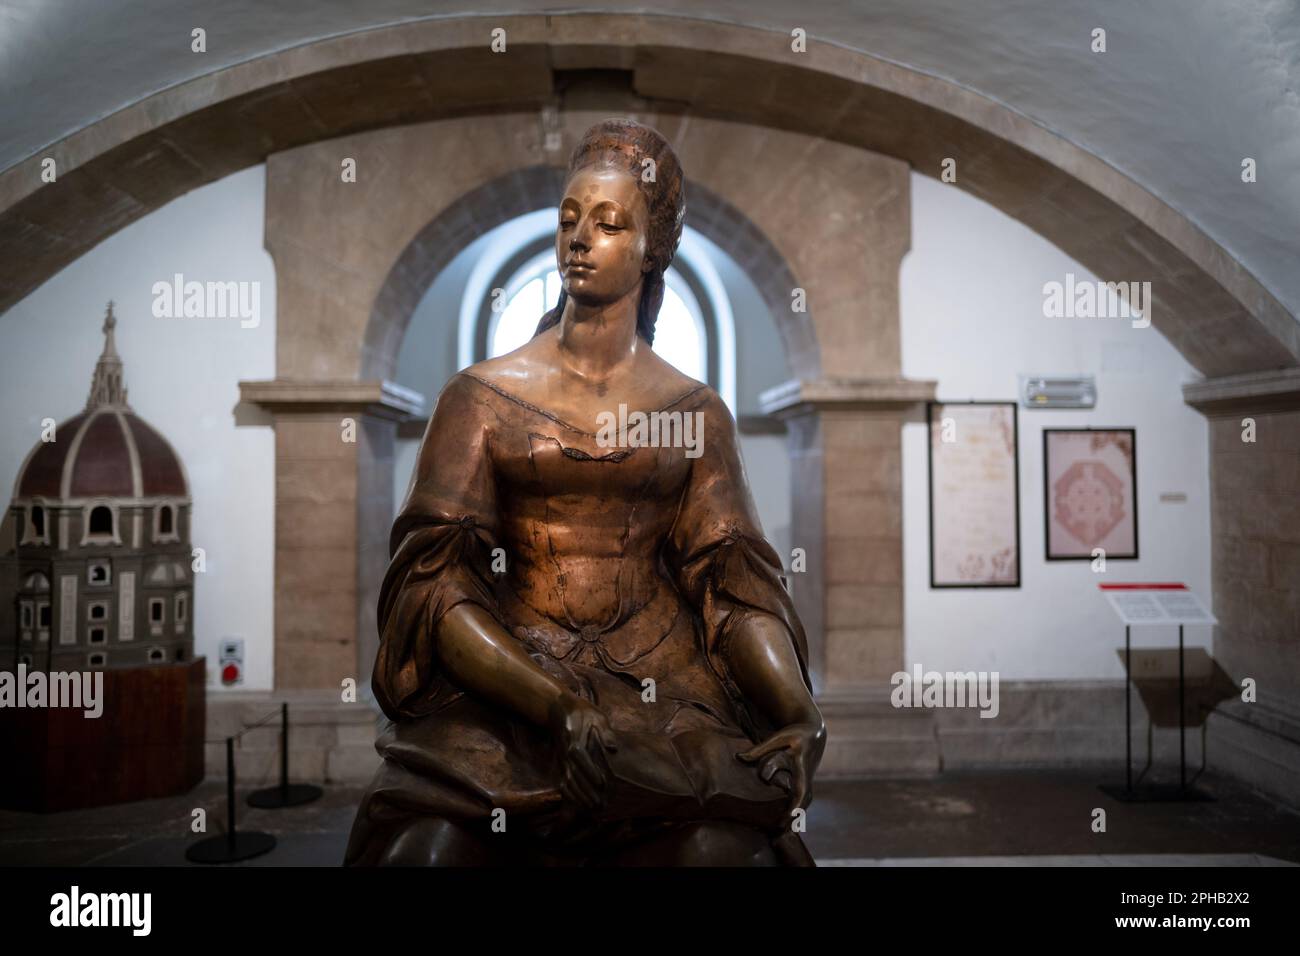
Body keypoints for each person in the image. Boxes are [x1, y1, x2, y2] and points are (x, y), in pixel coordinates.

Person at [344, 118, 825, 866]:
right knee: (422, 856)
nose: (579, 238)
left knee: (725, 856)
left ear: (651, 249)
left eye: (608, 223)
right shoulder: (481, 395)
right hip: (506, 689)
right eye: (569, 219)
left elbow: (734, 590)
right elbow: (436, 591)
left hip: (667, 696)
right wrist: (555, 702)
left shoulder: (693, 413)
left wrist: (799, 712)